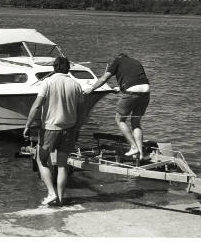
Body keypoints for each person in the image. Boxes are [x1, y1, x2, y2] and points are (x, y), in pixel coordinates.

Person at [23, 56, 85, 206]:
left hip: (50, 129)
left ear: (54, 68)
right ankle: (61, 199)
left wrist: (27, 125)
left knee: (41, 161)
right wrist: (77, 127)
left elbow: (36, 106)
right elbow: (82, 111)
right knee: (63, 165)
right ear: (68, 68)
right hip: (69, 129)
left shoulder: (48, 82)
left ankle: (51, 193)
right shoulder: (76, 85)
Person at [84, 53, 150, 160]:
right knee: (136, 122)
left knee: (119, 120)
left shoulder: (117, 61)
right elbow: (135, 79)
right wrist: (121, 88)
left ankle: (133, 147)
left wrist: (91, 89)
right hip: (146, 92)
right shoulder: (136, 62)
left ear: (118, 58)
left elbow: (103, 79)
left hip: (132, 93)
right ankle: (141, 154)